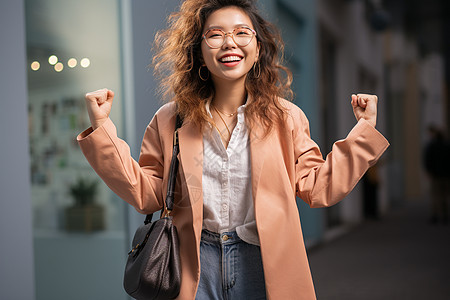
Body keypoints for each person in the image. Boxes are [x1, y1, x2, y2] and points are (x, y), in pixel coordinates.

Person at [77, 0, 390, 299]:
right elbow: (147, 194)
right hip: (193, 262)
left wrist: (362, 133)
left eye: (242, 32)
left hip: (264, 260)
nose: (229, 43)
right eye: (215, 34)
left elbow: (320, 188)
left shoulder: (286, 117)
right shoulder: (170, 118)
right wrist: (103, 130)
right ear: (198, 52)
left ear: (257, 49)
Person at [423, 125, 450, 224]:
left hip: (435, 175)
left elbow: (428, 160)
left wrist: (429, 171)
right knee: (444, 196)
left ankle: (435, 215)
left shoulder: (432, 146)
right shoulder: (447, 146)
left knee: (436, 196)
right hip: (446, 175)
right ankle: (445, 215)